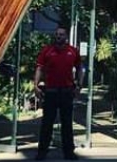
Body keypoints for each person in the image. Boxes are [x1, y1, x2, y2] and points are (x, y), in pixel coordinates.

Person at [34, 27, 84, 160]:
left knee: (67, 124)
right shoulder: (47, 51)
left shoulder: (73, 51)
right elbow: (39, 68)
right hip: (51, 92)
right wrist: (36, 85)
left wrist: (79, 85)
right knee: (47, 124)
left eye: (61, 34)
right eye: (56, 34)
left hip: (66, 93)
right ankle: (42, 152)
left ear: (66, 36)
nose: (58, 36)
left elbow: (79, 68)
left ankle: (69, 152)